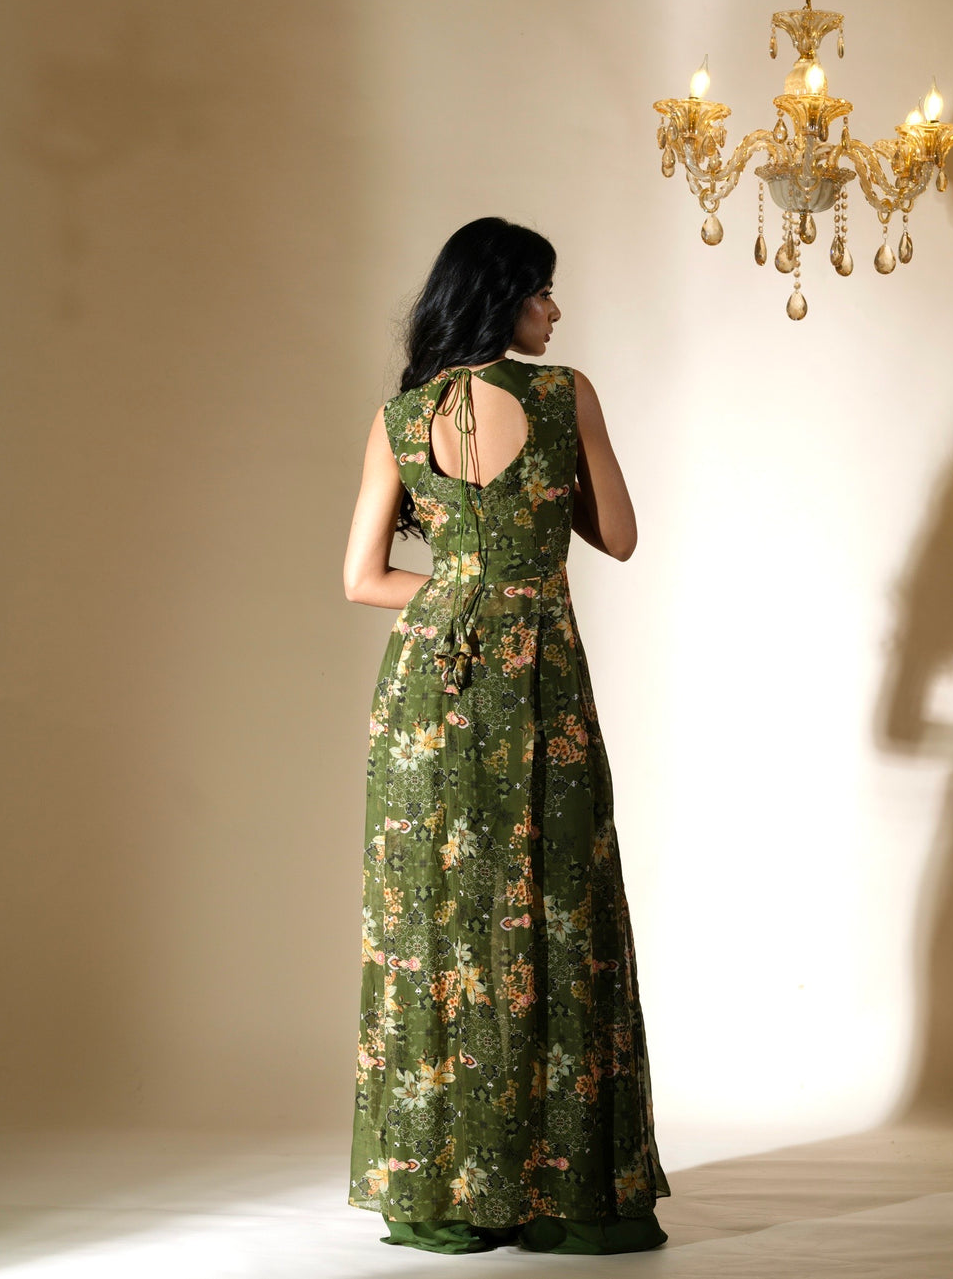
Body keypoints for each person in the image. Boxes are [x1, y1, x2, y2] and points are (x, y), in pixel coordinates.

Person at [343, 217, 670, 1255]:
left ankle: (444, 1195)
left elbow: (361, 580)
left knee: (433, 927)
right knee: (560, 916)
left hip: (427, 691)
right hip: (539, 687)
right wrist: (532, 546)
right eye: (542, 291)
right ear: (503, 297)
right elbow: (617, 537)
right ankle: (567, 1193)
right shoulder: (565, 393)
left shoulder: (399, 416)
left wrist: (457, 596)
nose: (555, 310)